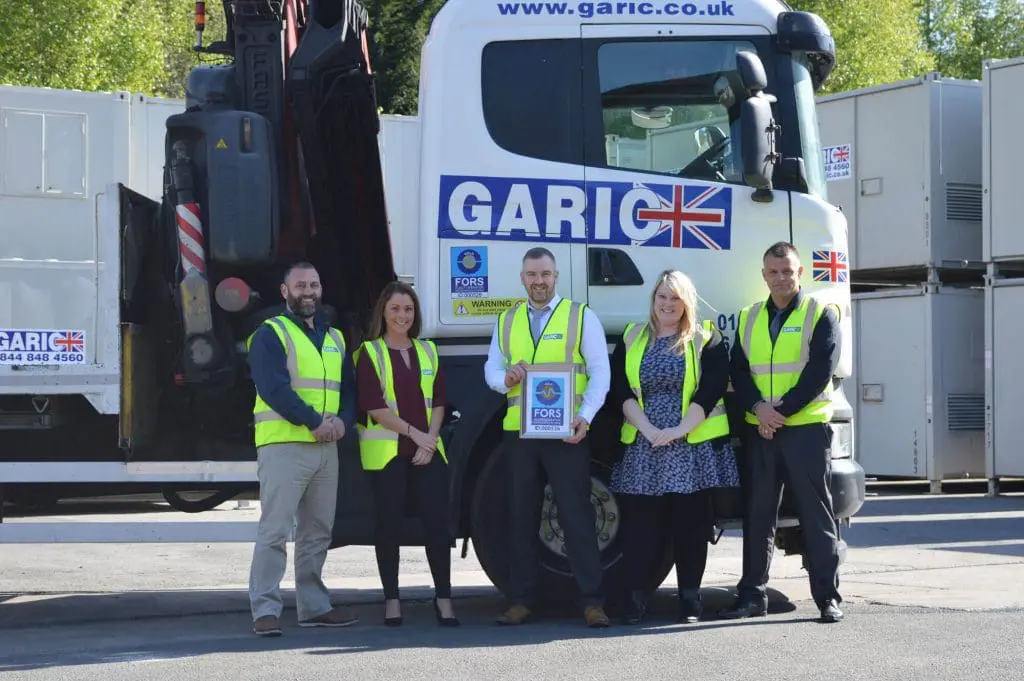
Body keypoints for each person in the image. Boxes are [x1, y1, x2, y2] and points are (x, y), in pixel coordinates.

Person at [483, 246, 612, 628]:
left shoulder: (580, 316)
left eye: (545, 274)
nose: (539, 281)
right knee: (521, 515)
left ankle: (592, 601)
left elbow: (600, 371)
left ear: (556, 277)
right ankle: (520, 600)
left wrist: (585, 417)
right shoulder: (507, 320)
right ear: (522, 278)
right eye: (532, 275)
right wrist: (503, 379)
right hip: (519, 433)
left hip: (565, 433)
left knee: (576, 515)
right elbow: (491, 368)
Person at [722, 241, 844, 623]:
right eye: (773, 272)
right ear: (763, 275)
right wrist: (759, 409)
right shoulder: (749, 316)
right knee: (758, 516)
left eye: (788, 271)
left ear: (800, 272)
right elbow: (738, 372)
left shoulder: (821, 313)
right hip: (761, 427)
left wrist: (778, 412)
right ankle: (752, 596)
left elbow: (818, 372)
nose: (781, 278)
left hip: (804, 428)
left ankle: (828, 597)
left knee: (817, 514)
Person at [608, 270, 739, 625]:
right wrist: (650, 430)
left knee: (692, 527)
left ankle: (690, 599)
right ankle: (636, 598)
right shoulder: (633, 336)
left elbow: (710, 390)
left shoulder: (705, 338)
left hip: (689, 445)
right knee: (640, 528)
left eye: (675, 298)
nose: (667, 304)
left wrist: (679, 430)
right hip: (644, 443)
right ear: (653, 299)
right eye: (662, 297)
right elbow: (620, 389)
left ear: (687, 303)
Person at [246, 261, 360, 637]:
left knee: (317, 531)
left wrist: (343, 420)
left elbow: (348, 390)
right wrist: (314, 422)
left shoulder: (336, 338)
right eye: (300, 286)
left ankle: (313, 606)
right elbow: (273, 388)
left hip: (326, 445)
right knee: (275, 531)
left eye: (313, 284)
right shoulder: (270, 333)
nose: (308, 291)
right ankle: (265, 608)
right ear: (285, 292)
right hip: (285, 445)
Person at [354, 281, 459, 628]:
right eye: (396, 308)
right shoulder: (369, 352)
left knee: (438, 526)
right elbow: (374, 407)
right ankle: (392, 601)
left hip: (429, 453)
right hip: (388, 455)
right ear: (383, 312)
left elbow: (440, 401)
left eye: (408, 309)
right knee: (388, 527)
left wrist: (429, 441)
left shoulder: (428, 351)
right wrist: (417, 436)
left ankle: (443, 599)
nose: (402, 315)